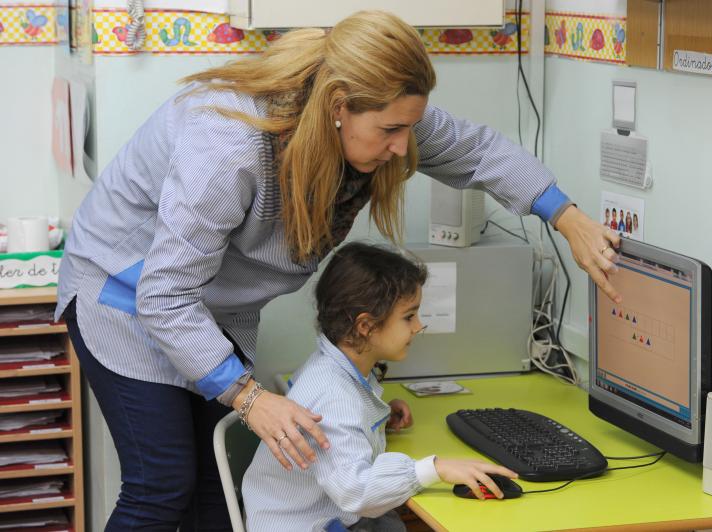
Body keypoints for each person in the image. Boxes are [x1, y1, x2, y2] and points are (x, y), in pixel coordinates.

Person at [55, 10, 620, 529]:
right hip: (125, 298)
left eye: (409, 128)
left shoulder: (383, 112)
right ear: (338, 105)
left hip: (202, 304)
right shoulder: (228, 147)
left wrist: (566, 217)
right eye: (389, 132)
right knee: (161, 485)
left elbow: (477, 151)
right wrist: (250, 398)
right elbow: (165, 294)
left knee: (212, 486)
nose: (403, 148)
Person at [243, 242, 518, 531]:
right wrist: (435, 468)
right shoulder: (333, 396)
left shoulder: (331, 366)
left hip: (319, 511)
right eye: (409, 316)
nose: (418, 326)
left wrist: (376, 417)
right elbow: (357, 492)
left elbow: (341, 431)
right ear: (366, 326)